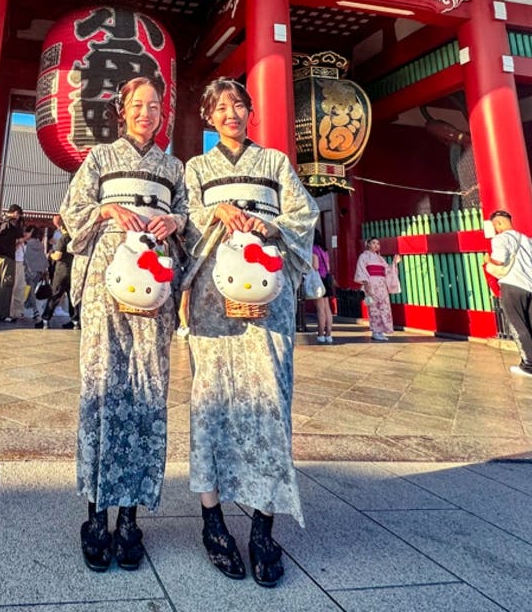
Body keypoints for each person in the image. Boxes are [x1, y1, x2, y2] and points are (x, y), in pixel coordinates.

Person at [181, 78, 316, 588]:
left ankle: (263, 526)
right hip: (215, 305)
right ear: (209, 117)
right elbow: (183, 221)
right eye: (220, 107)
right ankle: (212, 522)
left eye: (239, 104)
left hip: (267, 298)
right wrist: (214, 213)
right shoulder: (198, 168)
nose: (231, 113)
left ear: (250, 111)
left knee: (270, 404)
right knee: (210, 401)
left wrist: (270, 226)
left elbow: (303, 215)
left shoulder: (276, 164)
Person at [59, 75, 186, 574]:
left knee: (146, 391)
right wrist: (106, 208)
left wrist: (175, 222)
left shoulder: (173, 167)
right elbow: (72, 211)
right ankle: (95, 515)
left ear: (162, 113)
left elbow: (191, 221)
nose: (146, 112)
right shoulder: (98, 159)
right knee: (102, 389)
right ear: (123, 110)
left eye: (155, 105)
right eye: (138, 105)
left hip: (154, 291)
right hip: (104, 291)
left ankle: (130, 518)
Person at [485, 209, 532, 378]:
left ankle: (529, 365)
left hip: (512, 284)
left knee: (518, 325)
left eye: (495, 225)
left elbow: (499, 260)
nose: (496, 228)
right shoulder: (528, 241)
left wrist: (487, 260)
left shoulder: (500, 239)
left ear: (498, 223)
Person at [354, 236, 399, 342]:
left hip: (382, 285)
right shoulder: (364, 256)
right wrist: (366, 285)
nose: (376, 245)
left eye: (378, 244)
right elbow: (361, 271)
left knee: (384, 307)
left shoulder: (380, 258)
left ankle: (381, 331)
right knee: (374, 308)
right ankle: (375, 331)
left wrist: (394, 264)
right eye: (373, 243)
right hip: (372, 284)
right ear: (368, 244)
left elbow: (387, 271)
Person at [0, 204, 24, 323]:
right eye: (19, 215)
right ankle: (3, 314)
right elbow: (19, 240)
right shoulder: (13, 224)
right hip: (7, 259)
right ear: (15, 213)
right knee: (6, 285)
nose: (18, 217)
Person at [45, 217, 77, 329]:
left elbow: (58, 256)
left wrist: (50, 255)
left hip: (61, 270)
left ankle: (46, 318)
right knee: (72, 296)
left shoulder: (63, 239)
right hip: (72, 270)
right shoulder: (75, 238)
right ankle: (75, 321)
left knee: (55, 294)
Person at [21, 224, 49, 325]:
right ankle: (34, 310)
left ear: (29, 233)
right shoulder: (40, 245)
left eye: (26, 232)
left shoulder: (27, 244)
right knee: (31, 291)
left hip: (29, 271)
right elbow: (43, 258)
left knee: (29, 291)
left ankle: (35, 311)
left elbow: (26, 258)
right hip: (38, 272)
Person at [310, 232, 335, 343]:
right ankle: (328, 334)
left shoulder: (314, 249)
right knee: (327, 308)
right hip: (326, 279)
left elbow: (315, 266)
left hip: (318, 280)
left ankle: (320, 334)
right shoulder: (324, 250)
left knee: (320, 309)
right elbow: (328, 267)